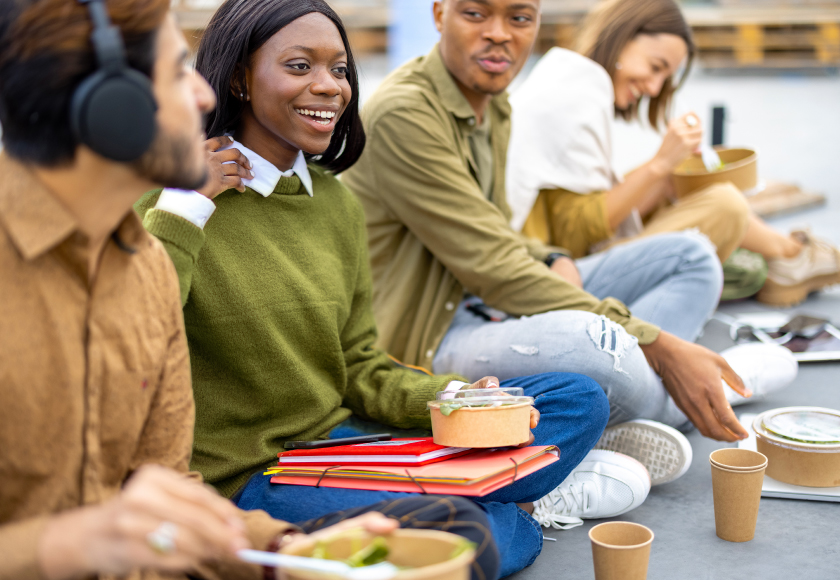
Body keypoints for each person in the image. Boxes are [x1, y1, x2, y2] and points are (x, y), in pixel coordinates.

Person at [0, 1, 502, 578]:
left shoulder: (145, 263)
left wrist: (285, 549)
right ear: (110, 103)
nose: (205, 90)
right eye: (178, 71)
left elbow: (174, 488)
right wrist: (66, 544)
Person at [135, 0, 647, 575]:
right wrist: (184, 207)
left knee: (574, 399)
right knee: (471, 533)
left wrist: (453, 397)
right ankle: (515, 505)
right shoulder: (171, 206)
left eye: (340, 70)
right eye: (300, 67)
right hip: (254, 481)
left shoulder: (333, 202)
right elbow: (134, 345)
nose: (329, 87)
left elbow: (357, 363)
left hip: (344, 446)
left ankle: (467, 502)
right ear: (238, 79)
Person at [341, 0, 800, 472]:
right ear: (439, 15)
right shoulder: (405, 114)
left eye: (519, 18)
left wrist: (550, 255)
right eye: (476, 15)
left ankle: (656, 399)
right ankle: (715, 391)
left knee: (693, 256)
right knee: (597, 341)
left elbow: (492, 225)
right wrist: (656, 340)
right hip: (431, 335)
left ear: (536, 24)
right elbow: (494, 265)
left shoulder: (492, 104)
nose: (499, 34)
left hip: (487, 297)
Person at [506, 0, 840, 307]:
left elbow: (572, 211)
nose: (653, 88)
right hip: (558, 275)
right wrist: (659, 164)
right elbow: (572, 234)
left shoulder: (568, 79)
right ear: (622, 38)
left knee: (679, 182)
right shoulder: (574, 97)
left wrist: (666, 175)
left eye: (664, 77)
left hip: (556, 258)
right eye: (655, 67)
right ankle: (790, 256)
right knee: (725, 205)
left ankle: (789, 255)